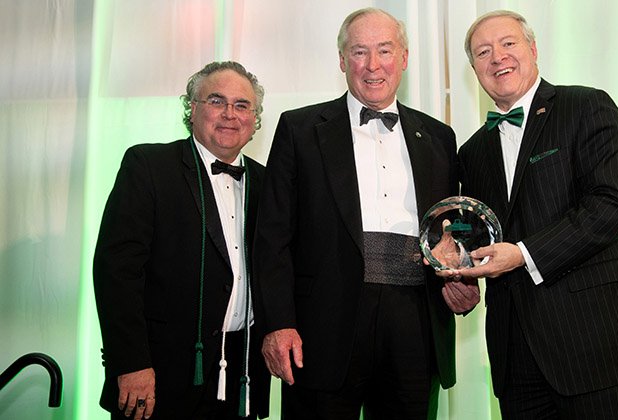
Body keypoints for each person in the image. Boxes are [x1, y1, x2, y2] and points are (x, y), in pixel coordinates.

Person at [252, 7, 479, 420]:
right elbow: (272, 238)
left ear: (405, 58)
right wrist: (278, 322)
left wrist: (462, 279)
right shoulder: (299, 130)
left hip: (416, 324)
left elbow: (453, 230)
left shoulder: (440, 138)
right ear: (341, 61)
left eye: (385, 50)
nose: (373, 65)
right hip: (322, 328)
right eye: (359, 52)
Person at [449, 10, 618, 419]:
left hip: (597, 346)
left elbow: (614, 203)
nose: (497, 57)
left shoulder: (586, 106)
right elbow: (479, 237)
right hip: (517, 359)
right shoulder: (472, 152)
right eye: (483, 51)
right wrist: (458, 278)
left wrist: (525, 254)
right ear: (474, 68)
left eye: (508, 44)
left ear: (533, 48)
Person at [93, 61, 271, 419]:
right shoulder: (148, 165)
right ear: (192, 109)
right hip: (158, 376)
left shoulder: (268, 183)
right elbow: (117, 273)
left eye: (241, 105)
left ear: (255, 119)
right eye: (216, 101)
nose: (229, 114)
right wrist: (131, 363)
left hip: (242, 373)